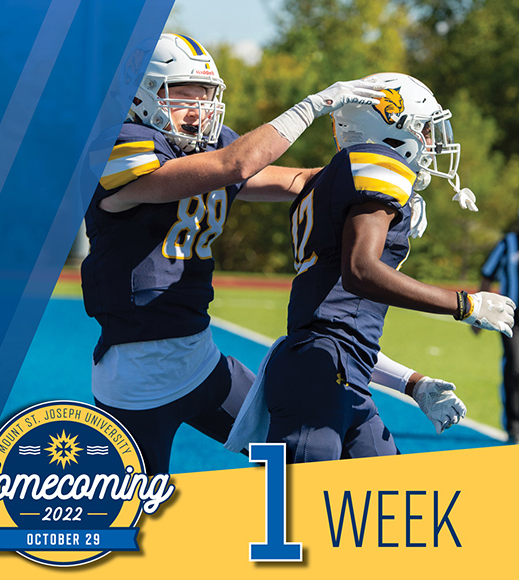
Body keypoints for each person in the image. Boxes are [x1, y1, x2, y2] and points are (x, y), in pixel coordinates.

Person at [81, 35, 464, 474]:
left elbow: (301, 180)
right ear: (141, 95)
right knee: (133, 523)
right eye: (184, 94)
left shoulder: (210, 146)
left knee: (309, 451)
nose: (200, 109)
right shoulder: (118, 145)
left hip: (200, 359)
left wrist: (389, 189)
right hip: (135, 374)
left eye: (206, 96)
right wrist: (312, 105)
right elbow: (235, 167)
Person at [229, 72, 515, 463]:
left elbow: (341, 331)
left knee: (388, 513)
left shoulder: (329, 179)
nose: (432, 143)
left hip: (337, 371)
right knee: (293, 516)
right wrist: (463, 304)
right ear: (389, 128)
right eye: (425, 130)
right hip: (320, 374)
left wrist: (412, 384)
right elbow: (360, 271)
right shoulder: (377, 164)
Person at [474, 214, 519, 444]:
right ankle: (514, 426)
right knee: (515, 367)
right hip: (512, 317)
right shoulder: (508, 243)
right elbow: (487, 274)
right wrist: (480, 311)